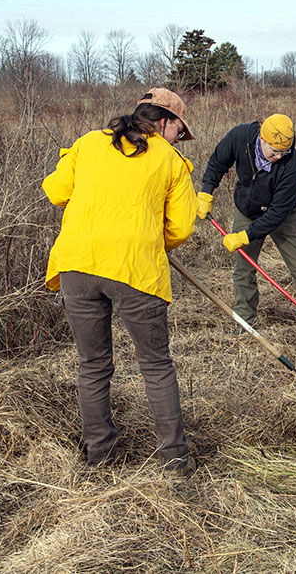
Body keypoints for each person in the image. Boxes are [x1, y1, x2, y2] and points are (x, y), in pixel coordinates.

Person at [42, 88, 197, 476]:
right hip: (135, 269)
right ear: (164, 122)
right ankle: (175, 463)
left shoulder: (89, 143)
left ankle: (101, 457)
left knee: (92, 364)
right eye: (180, 129)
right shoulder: (171, 160)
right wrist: (145, 236)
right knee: (156, 366)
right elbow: (179, 228)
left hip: (77, 264)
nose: (180, 138)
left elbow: (56, 191)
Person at [196, 114, 296, 343]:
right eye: (274, 151)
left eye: (283, 152)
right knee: (243, 269)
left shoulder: (292, 165)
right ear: (262, 138)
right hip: (247, 210)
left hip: (284, 217)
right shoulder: (240, 137)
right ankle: (245, 322)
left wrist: (245, 236)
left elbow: (278, 213)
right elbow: (218, 161)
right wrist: (207, 190)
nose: (278, 157)